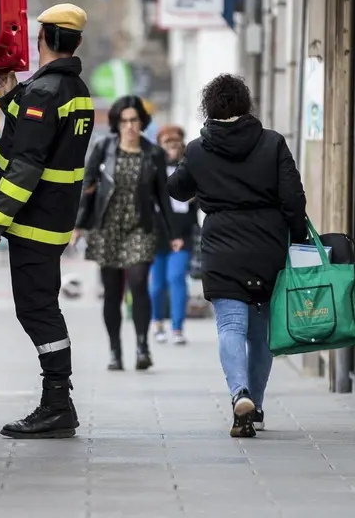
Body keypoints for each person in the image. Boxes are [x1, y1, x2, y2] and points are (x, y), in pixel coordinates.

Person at [0, 3, 95, 440]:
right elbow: (42, 138)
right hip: (55, 220)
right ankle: (57, 402)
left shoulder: (44, 93)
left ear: (42, 38)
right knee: (42, 308)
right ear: (76, 42)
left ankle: (57, 404)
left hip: (33, 223)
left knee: (38, 311)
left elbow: (26, 163)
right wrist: (12, 98)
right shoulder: (75, 90)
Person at [167, 74, 307, 438]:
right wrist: (299, 239)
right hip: (267, 247)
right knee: (260, 336)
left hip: (222, 247)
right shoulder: (273, 143)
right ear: (246, 105)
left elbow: (178, 190)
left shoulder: (198, 149)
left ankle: (238, 394)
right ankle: (255, 406)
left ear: (208, 108)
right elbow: (293, 199)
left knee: (230, 326)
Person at [75, 95, 183, 372]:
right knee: (112, 292)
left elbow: (162, 195)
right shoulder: (103, 148)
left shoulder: (153, 153)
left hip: (140, 227)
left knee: (137, 283)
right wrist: (79, 225)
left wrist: (173, 233)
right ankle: (114, 350)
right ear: (116, 123)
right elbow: (87, 189)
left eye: (134, 120)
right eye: (124, 121)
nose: (129, 126)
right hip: (107, 227)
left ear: (141, 122)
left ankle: (142, 345)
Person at [150, 125, 199, 345]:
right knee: (157, 283)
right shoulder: (152, 168)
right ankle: (157, 322)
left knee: (177, 278)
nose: (171, 147)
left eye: (175, 142)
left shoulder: (189, 168)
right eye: (167, 143)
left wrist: (195, 196)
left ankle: (178, 327)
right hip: (156, 233)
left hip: (182, 233)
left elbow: (200, 196)